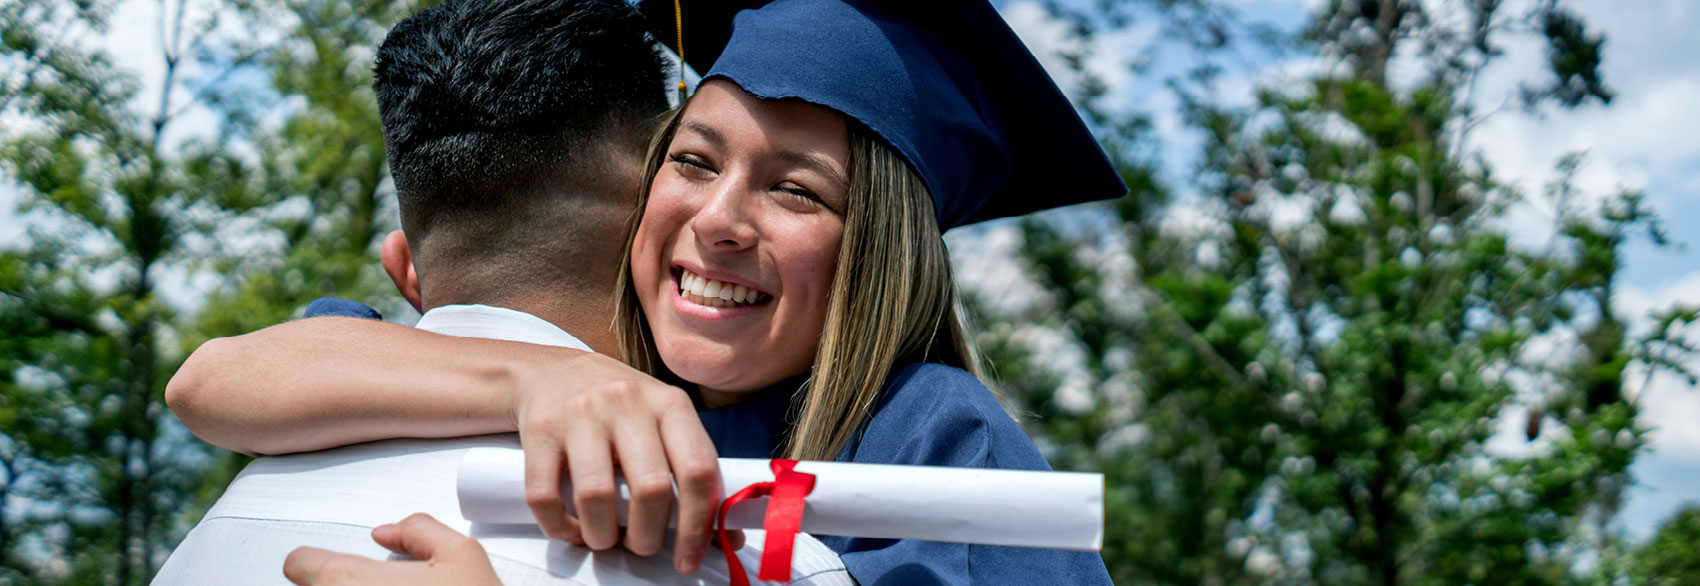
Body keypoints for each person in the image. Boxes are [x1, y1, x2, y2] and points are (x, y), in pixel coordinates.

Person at [168, 0, 1126, 584]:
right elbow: (216, 380)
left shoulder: (933, 438)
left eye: (797, 190)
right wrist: (536, 383)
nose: (719, 220)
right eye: (695, 161)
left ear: (878, 259)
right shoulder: (544, 370)